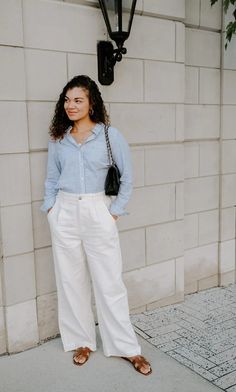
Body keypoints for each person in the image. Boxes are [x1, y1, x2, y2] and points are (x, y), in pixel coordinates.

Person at [40, 75, 152, 376]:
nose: (70, 105)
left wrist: (113, 212)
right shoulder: (59, 138)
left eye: (78, 100)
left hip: (97, 210)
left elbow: (127, 177)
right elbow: (51, 178)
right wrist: (50, 209)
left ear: (91, 103)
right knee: (70, 280)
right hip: (64, 210)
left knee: (109, 281)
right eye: (67, 100)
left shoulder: (109, 135)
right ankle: (82, 341)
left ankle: (127, 347)